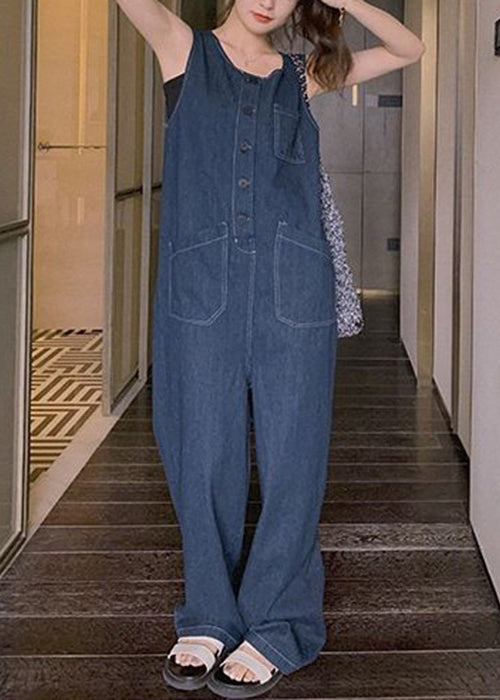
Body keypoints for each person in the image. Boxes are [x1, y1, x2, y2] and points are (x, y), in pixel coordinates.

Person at [114, 1, 425, 697]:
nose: (270, 0)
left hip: (295, 287)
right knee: (200, 450)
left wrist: (349, 1)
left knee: (294, 456)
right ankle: (208, 616)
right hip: (201, 284)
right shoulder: (182, 49)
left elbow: (409, 49)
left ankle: (280, 623)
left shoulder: (302, 73)